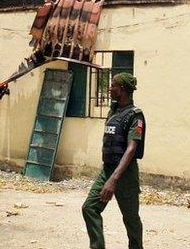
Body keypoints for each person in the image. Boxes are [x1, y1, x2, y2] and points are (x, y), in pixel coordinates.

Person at [82, 72, 146, 249]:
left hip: (125, 174)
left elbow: (131, 148)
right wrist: (108, 176)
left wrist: (114, 179)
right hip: (107, 169)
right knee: (89, 208)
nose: (109, 88)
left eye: (112, 85)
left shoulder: (135, 116)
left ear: (122, 89)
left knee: (131, 219)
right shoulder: (114, 111)